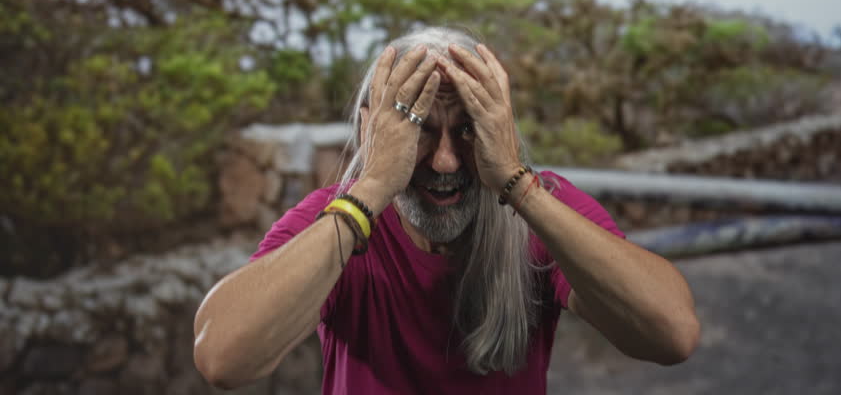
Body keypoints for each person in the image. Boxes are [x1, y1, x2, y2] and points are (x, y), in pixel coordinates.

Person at [193, 27, 700, 394]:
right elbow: (223, 357)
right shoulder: (338, 218)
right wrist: (370, 187)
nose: (444, 160)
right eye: (417, 128)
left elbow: (672, 335)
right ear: (373, 129)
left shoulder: (541, 207)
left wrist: (515, 183)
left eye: (467, 128)